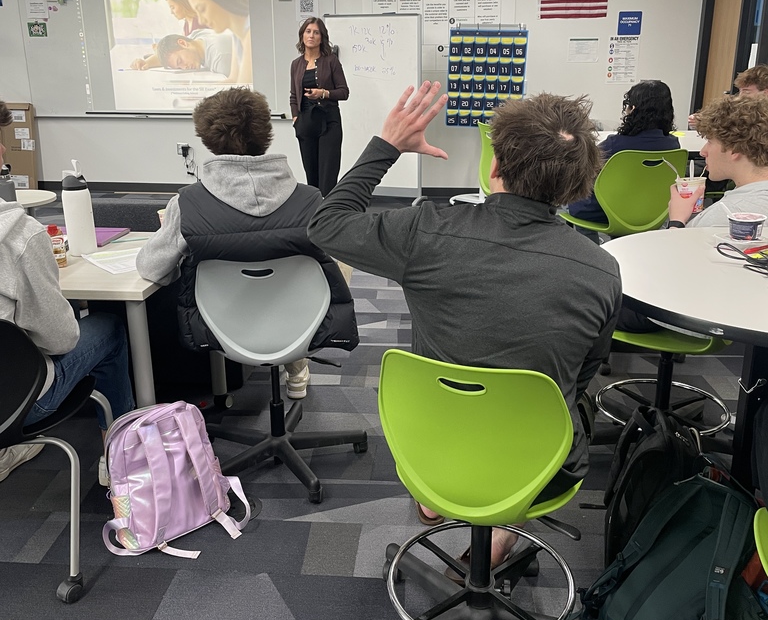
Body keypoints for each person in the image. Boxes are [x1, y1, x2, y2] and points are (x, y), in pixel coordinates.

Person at [308, 83, 622, 566]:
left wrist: (386, 147)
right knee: (563, 395)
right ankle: (503, 527)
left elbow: (325, 225)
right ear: (577, 185)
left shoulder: (426, 230)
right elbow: (585, 371)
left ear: (494, 166)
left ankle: (442, 491)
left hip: (428, 447)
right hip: (542, 465)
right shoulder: (600, 268)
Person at [136, 87, 358, 400]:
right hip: (300, 322)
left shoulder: (186, 205)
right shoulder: (312, 201)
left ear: (207, 139)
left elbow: (151, 269)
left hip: (223, 330)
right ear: (265, 133)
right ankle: (296, 364)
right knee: (330, 260)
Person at [0, 101, 135, 483]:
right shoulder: (19, 236)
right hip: (19, 404)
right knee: (107, 328)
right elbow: (61, 339)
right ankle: (119, 453)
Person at [567, 79, 680, 228]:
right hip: (652, 212)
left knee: (572, 198)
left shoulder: (615, 144)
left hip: (603, 212)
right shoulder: (673, 144)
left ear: (633, 109)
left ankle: (590, 245)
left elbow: (586, 165)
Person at [668, 92, 768, 229]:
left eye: (709, 141)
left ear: (734, 149)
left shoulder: (727, 215)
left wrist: (676, 220)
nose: (703, 152)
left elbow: (675, 249)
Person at [290, 17, 349, 196]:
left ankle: (329, 215)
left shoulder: (331, 61)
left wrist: (323, 93)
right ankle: (315, 215)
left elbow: (344, 92)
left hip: (329, 121)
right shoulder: (296, 64)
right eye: (308, 31)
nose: (311, 36)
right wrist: (295, 119)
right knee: (311, 174)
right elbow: (293, 95)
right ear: (302, 36)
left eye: (316, 32)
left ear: (322, 38)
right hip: (305, 122)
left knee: (328, 174)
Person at [188, 0, 252, 86]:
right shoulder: (237, 35)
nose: (201, 21)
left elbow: (244, 93)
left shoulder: (251, 35)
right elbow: (233, 80)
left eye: (202, 10)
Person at [687, 63, 768, 127]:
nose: (740, 96)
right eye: (740, 91)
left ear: (765, 93)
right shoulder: (739, 108)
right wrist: (704, 121)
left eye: (747, 92)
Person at [154, 29, 233, 75]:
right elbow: (169, 57)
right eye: (179, 68)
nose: (184, 68)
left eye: (180, 61)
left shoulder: (220, 59)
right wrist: (146, 62)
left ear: (183, 43)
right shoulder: (196, 36)